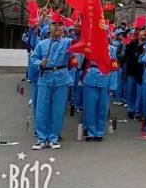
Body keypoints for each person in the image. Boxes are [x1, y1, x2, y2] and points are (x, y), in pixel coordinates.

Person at [30, 18, 73, 150]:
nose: (57, 27)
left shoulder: (68, 43)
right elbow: (34, 58)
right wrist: (39, 63)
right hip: (45, 78)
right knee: (42, 109)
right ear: (49, 28)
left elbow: (81, 43)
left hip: (61, 78)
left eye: (60, 25)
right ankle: (42, 138)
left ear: (64, 28)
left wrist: (78, 29)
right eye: (54, 25)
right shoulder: (42, 44)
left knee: (58, 109)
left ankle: (53, 137)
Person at [82, 35, 118, 142]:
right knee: (89, 107)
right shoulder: (90, 47)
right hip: (90, 78)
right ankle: (90, 132)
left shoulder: (111, 49)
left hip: (105, 78)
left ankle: (100, 132)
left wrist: (112, 85)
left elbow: (114, 67)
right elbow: (83, 62)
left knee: (103, 107)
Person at [124, 29, 146, 119]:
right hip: (132, 71)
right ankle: (131, 109)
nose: (142, 36)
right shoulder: (133, 43)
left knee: (140, 93)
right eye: (141, 34)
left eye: (144, 34)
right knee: (130, 91)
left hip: (141, 72)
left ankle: (138, 111)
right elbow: (127, 53)